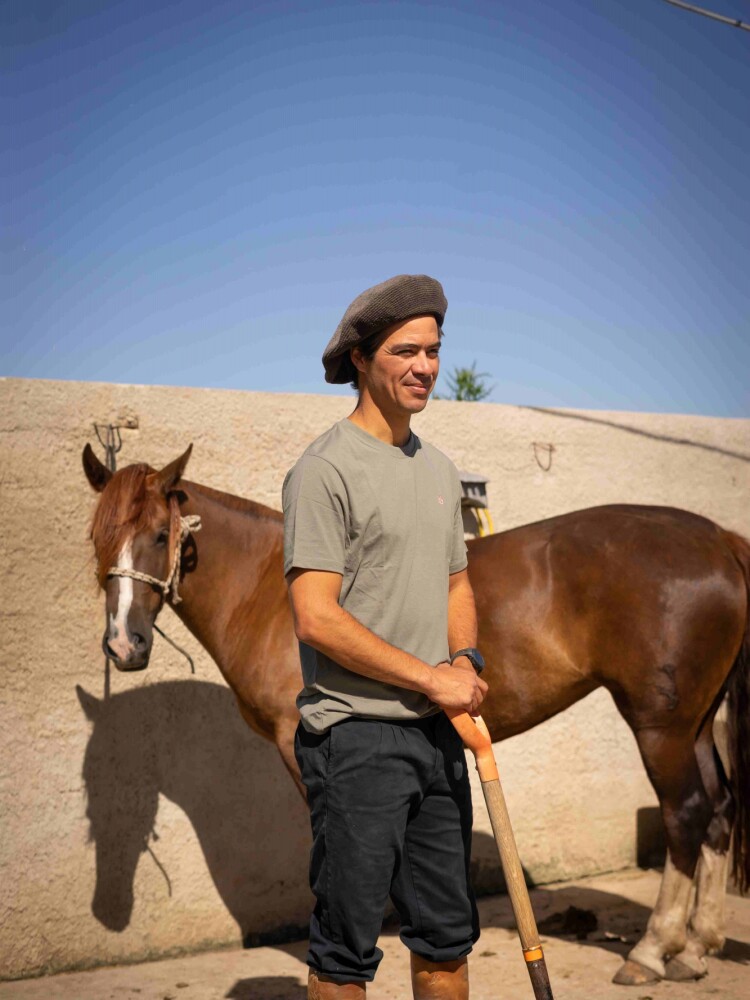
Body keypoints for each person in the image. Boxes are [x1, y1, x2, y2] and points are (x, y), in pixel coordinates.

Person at [282, 274, 488, 1000]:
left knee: (447, 938)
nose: (425, 367)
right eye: (406, 351)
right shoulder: (324, 470)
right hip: (356, 739)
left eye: (433, 350)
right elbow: (316, 616)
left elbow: (456, 584)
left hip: (438, 735)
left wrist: (463, 660)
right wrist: (431, 677)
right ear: (361, 358)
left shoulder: (439, 469)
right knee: (346, 950)